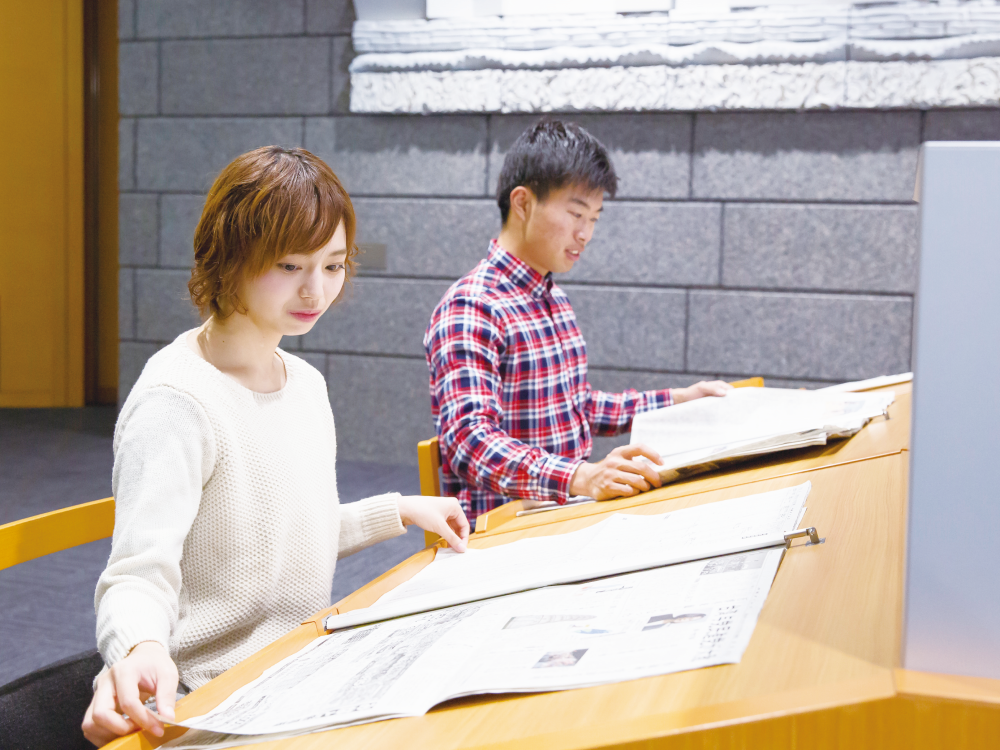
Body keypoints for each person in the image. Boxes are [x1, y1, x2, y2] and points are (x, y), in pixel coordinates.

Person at [82, 147, 469, 746]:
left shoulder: (305, 384)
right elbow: (137, 574)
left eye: (334, 265)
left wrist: (397, 511)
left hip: (295, 669)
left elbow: (278, 540)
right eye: (290, 265)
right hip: (211, 698)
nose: (317, 289)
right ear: (230, 255)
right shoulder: (176, 401)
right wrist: (140, 646)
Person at [424, 119, 731, 521]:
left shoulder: (554, 300)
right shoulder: (472, 306)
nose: (585, 234)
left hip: (565, 515)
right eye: (576, 214)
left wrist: (676, 401)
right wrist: (582, 477)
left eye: (595, 219)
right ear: (522, 204)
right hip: (505, 533)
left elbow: (577, 406)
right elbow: (470, 443)